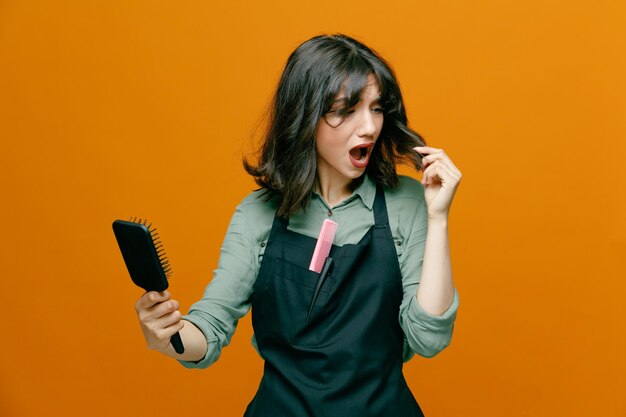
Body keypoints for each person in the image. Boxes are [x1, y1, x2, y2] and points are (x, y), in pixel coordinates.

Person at [134, 33, 461, 416]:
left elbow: (428, 339)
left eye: (375, 108)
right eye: (346, 109)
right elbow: (209, 328)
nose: (369, 127)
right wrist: (168, 336)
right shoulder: (257, 214)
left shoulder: (407, 202)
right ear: (305, 115)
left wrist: (438, 218)